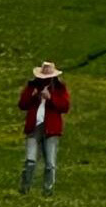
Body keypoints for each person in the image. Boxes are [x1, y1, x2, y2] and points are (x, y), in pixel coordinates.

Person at [18, 62, 70, 196]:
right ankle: (25, 188)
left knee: (50, 163)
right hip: (34, 127)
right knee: (30, 160)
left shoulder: (59, 88)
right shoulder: (32, 86)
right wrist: (33, 96)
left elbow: (65, 106)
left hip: (51, 128)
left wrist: (51, 98)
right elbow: (22, 104)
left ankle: (48, 190)